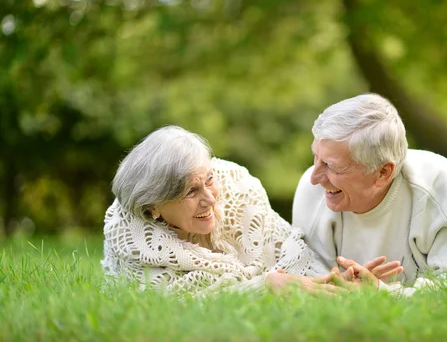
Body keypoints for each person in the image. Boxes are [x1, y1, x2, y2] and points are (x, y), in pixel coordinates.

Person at [102, 125, 400, 297]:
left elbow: (292, 254)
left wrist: (338, 280)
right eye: (191, 192)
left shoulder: (237, 191)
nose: (210, 199)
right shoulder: (132, 239)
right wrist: (264, 285)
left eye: (209, 181)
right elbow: (176, 304)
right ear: (153, 206)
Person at [292, 93, 447, 296]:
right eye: (316, 157)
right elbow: (309, 284)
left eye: (331, 165)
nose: (314, 178)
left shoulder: (438, 184)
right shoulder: (312, 192)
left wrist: (383, 292)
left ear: (382, 172)